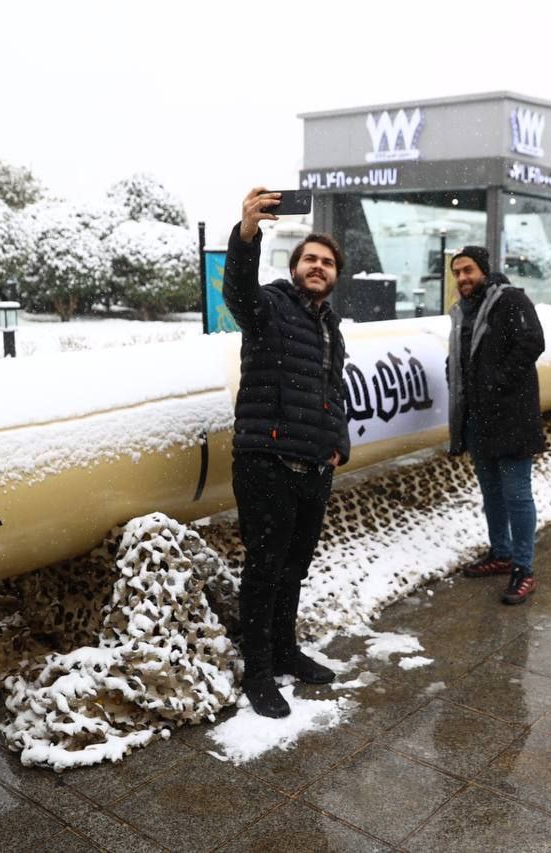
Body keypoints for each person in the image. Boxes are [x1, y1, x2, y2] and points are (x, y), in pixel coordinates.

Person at [223, 187, 351, 717]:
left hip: (314, 466)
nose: (318, 267)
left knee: (294, 567)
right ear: (295, 267)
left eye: (326, 263)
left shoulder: (330, 328)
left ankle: (284, 650)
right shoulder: (270, 308)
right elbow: (237, 292)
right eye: (310, 260)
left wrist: (338, 443)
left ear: (335, 275)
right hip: (266, 462)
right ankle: (257, 671)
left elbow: (333, 390)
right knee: (264, 567)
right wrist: (247, 232)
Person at [446, 246, 546, 605]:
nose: (462, 278)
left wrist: (497, 381)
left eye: (468, 270)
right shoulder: (461, 312)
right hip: (477, 420)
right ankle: (501, 553)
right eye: (457, 272)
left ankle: (524, 568)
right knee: (492, 494)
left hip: (511, 418)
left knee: (517, 495)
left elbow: (533, 342)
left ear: (484, 271)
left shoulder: (511, 301)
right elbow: (461, 357)